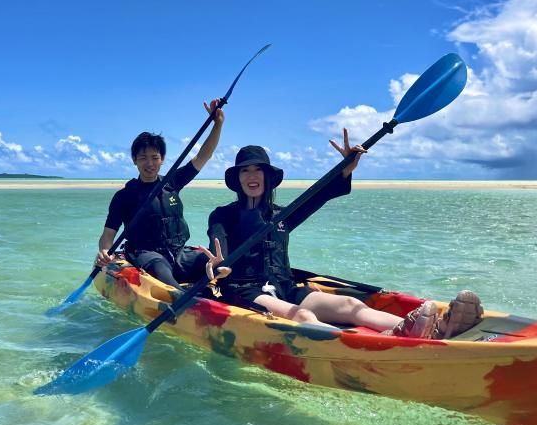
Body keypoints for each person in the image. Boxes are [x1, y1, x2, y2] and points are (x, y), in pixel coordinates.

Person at [201, 130, 483, 339]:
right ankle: (378, 344)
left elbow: (318, 195)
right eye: (245, 171)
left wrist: (347, 167)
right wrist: (217, 265)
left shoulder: (281, 215)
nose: (252, 176)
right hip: (244, 291)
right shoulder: (223, 214)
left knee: (350, 304)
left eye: (257, 170)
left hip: (285, 287)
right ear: (237, 179)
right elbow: (218, 245)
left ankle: (436, 330)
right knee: (302, 316)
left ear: (267, 176)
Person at [95, 98, 224, 290]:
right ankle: (184, 301)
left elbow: (203, 155)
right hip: (147, 255)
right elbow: (108, 234)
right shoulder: (124, 196)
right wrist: (105, 251)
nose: (149, 164)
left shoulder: (172, 182)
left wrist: (217, 124)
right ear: (134, 160)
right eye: (143, 158)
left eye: (155, 158)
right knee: (161, 269)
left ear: (162, 159)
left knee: (218, 264)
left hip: (178, 252)